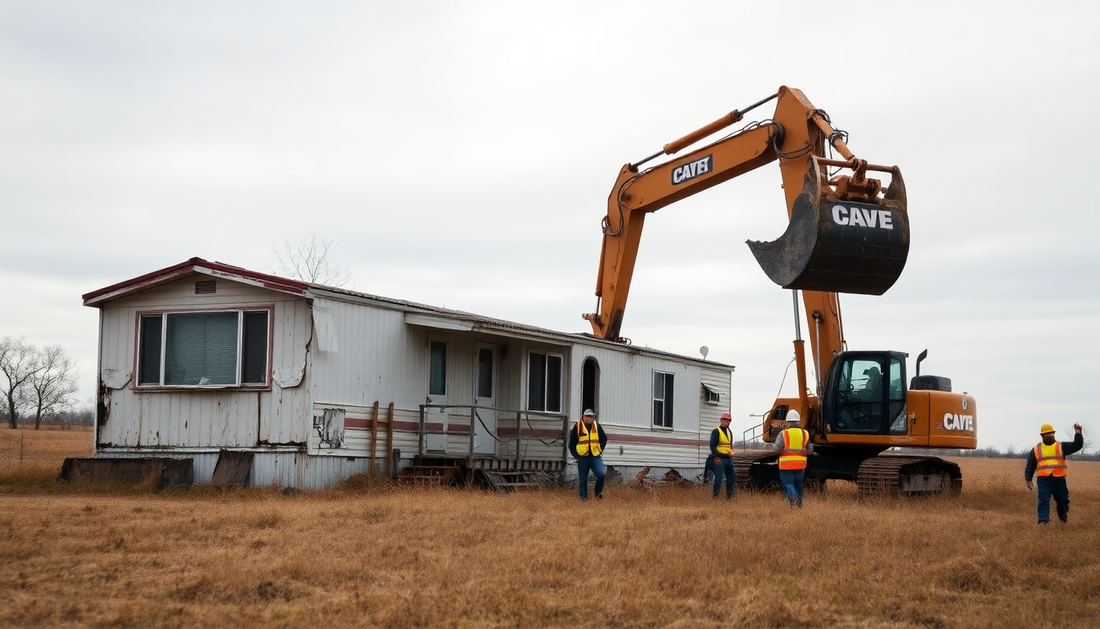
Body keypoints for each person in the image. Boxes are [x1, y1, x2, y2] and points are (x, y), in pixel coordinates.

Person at [1024, 423, 1084, 525]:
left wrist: (1078, 434)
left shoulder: (1061, 446)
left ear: (1054, 434)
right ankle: (1043, 521)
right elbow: (1030, 466)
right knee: (1043, 500)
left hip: (1059, 480)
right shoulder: (1036, 450)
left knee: (1063, 501)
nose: (1049, 436)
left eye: (1051, 434)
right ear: (1042, 436)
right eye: (1047, 435)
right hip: (1043, 480)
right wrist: (1028, 480)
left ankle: (1062, 516)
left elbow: (1077, 445)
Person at [569, 408, 607, 501]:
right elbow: (572, 443)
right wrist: (575, 455)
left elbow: (604, 439)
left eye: (591, 416)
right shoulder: (578, 426)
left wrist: (600, 450)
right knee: (583, 479)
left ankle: (598, 494)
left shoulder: (597, 426)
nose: (590, 418)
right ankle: (583, 498)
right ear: (583, 417)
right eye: (588, 416)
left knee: (601, 474)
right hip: (582, 457)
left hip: (595, 457)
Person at [775, 419, 813, 507]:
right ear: (798, 421)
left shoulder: (784, 433)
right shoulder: (805, 433)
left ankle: (794, 499)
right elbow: (810, 449)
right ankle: (799, 505)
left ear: (788, 422)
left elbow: (777, 448)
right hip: (800, 465)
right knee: (799, 485)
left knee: (789, 484)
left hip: (786, 465)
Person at [709, 412, 737, 500]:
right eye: (725, 420)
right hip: (719, 459)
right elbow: (712, 446)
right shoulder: (716, 431)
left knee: (731, 478)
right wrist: (716, 457)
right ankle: (715, 498)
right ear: (721, 420)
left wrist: (731, 455)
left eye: (729, 421)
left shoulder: (729, 432)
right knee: (718, 479)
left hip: (728, 459)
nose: (727, 422)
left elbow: (730, 445)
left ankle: (730, 498)